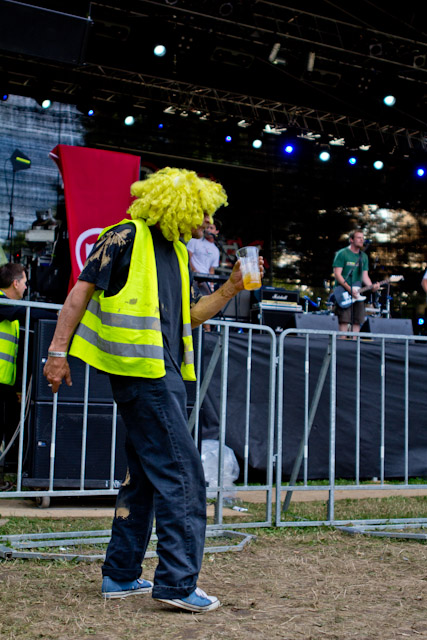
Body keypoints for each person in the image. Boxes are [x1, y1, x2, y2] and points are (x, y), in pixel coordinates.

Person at [43, 167, 263, 613]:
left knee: (142, 477)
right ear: (179, 205)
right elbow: (78, 293)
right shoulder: (123, 235)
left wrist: (229, 289)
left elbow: (190, 316)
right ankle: (177, 583)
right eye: (204, 214)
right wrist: (56, 352)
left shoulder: (177, 253)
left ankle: (120, 576)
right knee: (184, 475)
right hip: (144, 376)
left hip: (162, 376)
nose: (210, 224)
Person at [332, 229, 380, 334]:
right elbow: (337, 274)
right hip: (343, 292)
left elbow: (365, 276)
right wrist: (349, 289)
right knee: (344, 321)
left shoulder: (364, 257)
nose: (362, 240)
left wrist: (372, 286)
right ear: (351, 240)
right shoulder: (342, 253)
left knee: (357, 321)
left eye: (363, 238)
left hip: (358, 292)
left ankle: (354, 346)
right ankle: (342, 344)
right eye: (359, 238)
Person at [187, 222, 220, 295]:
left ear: (216, 232)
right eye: (207, 227)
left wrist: (211, 287)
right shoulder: (195, 240)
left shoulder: (216, 250)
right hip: (193, 277)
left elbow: (211, 271)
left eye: (211, 228)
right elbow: (187, 258)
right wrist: (194, 270)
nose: (208, 230)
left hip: (205, 281)